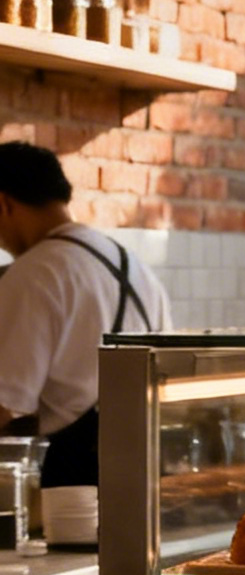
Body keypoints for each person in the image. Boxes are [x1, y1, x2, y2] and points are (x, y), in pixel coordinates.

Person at [0, 143, 170, 489]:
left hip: (71, 481)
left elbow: (6, 404)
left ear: (3, 203)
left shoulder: (32, 273)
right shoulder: (133, 266)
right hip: (145, 472)